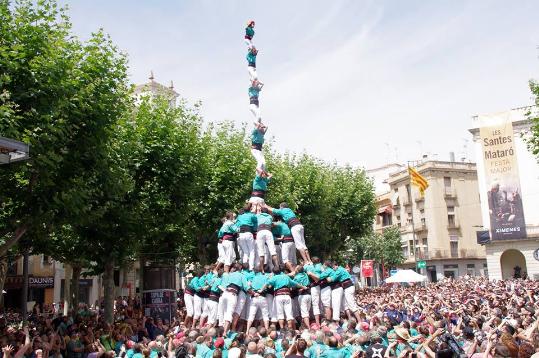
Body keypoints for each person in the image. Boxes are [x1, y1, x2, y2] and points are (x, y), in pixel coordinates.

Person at [218, 263, 249, 334]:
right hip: (233, 294)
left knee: (225, 313)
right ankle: (225, 333)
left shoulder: (229, 274)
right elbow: (247, 287)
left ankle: (223, 331)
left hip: (225, 293)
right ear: (240, 268)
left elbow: (223, 285)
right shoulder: (242, 275)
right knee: (230, 313)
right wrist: (253, 292)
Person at [246, 267, 270, 332]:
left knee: (251, 315)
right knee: (265, 315)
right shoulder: (265, 277)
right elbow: (268, 283)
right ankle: (267, 330)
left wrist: (253, 293)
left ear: (254, 272)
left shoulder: (252, 278)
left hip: (254, 297)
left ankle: (247, 331)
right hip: (262, 296)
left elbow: (247, 286)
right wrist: (262, 289)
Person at [234, 204, 258, 270]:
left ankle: (244, 267)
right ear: (250, 209)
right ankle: (251, 268)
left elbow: (236, 225)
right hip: (248, 233)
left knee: (245, 252)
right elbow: (256, 221)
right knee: (252, 251)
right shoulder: (251, 215)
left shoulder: (239, 216)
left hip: (241, 234)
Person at [255, 206, 278, 271]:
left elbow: (255, 214)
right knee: (273, 251)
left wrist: (258, 210)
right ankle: (277, 267)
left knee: (261, 251)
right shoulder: (270, 217)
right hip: (268, 231)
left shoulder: (258, 215)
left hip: (260, 232)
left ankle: (261, 269)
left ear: (261, 211)